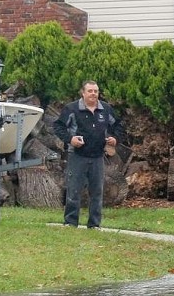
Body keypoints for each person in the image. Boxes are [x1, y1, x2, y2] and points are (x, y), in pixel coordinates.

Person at [53, 80, 124, 229]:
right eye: (90, 91)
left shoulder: (105, 109)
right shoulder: (72, 108)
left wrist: (115, 138)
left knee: (97, 192)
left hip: (98, 156)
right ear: (83, 93)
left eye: (96, 91)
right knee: (74, 190)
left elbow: (118, 125)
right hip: (77, 155)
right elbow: (58, 126)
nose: (93, 94)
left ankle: (94, 224)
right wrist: (70, 139)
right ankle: (70, 222)